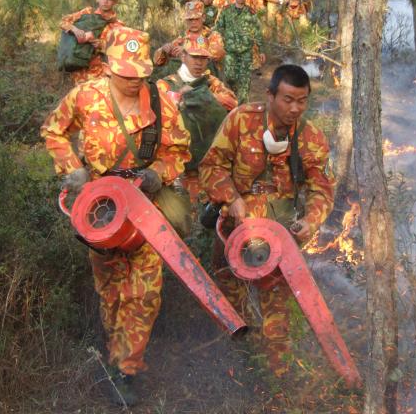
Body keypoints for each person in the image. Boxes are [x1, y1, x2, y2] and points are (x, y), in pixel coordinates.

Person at [41, 27, 191, 406]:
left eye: (140, 72)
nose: (133, 80)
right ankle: (115, 353)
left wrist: (159, 172)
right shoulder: (86, 96)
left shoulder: (160, 102)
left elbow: (180, 151)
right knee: (110, 293)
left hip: (144, 212)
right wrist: (71, 169)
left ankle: (127, 370)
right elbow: (53, 130)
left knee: (143, 295)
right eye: (125, 73)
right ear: (107, 65)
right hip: (100, 212)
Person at [199, 64, 335, 377]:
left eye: (302, 101)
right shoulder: (241, 120)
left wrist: (312, 221)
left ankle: (276, 375)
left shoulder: (311, 137)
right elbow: (212, 166)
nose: (295, 108)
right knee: (226, 283)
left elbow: (321, 189)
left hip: (277, 235)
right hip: (233, 229)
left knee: (277, 301)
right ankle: (242, 349)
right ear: (270, 94)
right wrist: (231, 198)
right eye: (288, 99)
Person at [158, 38, 237, 201]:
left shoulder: (211, 83)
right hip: (179, 167)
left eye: (203, 59)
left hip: (209, 165)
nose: (199, 63)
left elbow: (232, 103)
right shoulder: (166, 84)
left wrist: (200, 95)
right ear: (183, 57)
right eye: (195, 57)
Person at [60, 0, 124, 85]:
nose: (105, 1)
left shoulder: (118, 25)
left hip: (101, 76)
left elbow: (121, 50)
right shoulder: (87, 12)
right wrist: (75, 29)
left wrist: (101, 45)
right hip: (80, 73)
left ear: (115, 2)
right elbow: (63, 22)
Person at [214, 0, 265, 103]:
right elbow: (218, 28)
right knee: (230, 77)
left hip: (246, 52)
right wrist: (216, 44)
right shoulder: (226, 11)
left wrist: (261, 50)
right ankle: (235, 95)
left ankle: (242, 106)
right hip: (230, 52)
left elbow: (257, 31)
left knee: (244, 80)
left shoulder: (251, 13)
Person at [153, 1, 225, 78]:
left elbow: (217, 55)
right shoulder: (182, 39)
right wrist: (163, 50)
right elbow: (158, 62)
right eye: (190, 19)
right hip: (183, 84)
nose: (193, 22)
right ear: (186, 20)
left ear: (203, 18)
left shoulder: (212, 36)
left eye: (196, 19)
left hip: (207, 82)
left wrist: (186, 52)